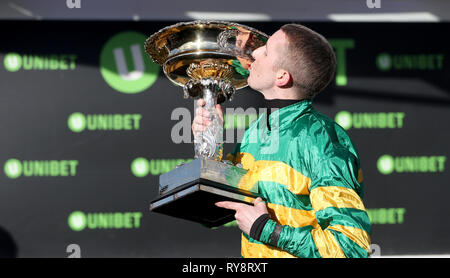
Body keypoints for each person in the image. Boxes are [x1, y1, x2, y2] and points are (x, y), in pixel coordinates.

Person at [192, 24, 371, 258]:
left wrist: (266, 229)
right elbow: (215, 210)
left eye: (265, 52)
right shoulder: (256, 131)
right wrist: (209, 141)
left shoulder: (321, 140)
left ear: (282, 76)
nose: (254, 54)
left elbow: (351, 247)